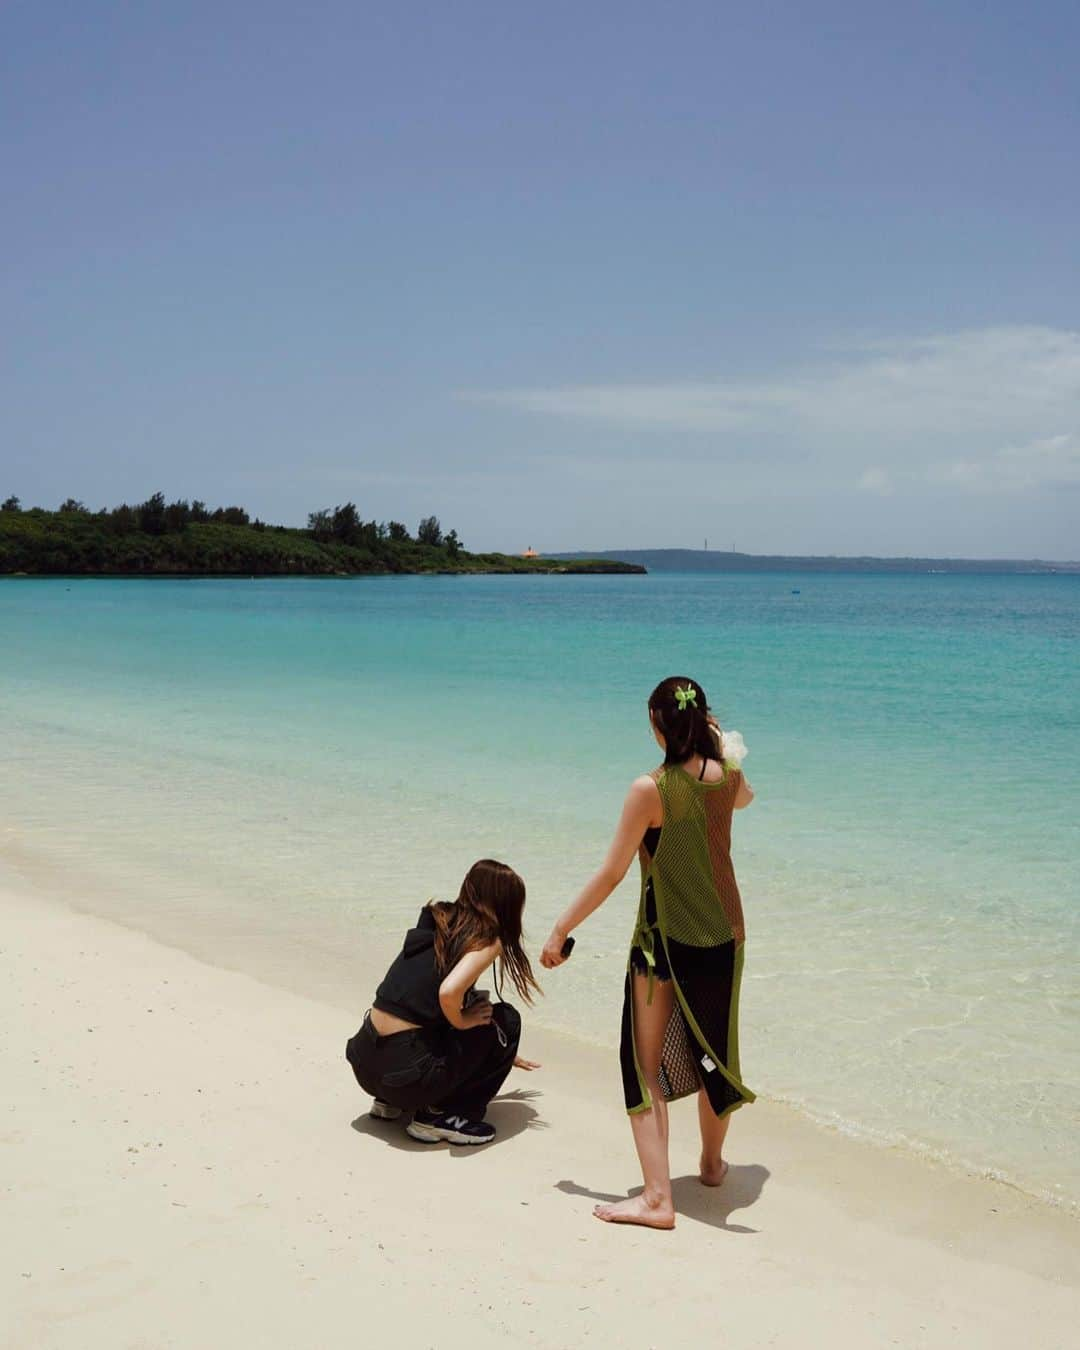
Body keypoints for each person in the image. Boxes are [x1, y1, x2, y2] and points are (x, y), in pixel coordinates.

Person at [541, 677, 755, 1227]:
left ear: (659, 726)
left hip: (664, 945)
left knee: (644, 1065)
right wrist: (720, 748)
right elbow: (746, 797)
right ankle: (710, 1166)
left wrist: (560, 929)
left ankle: (658, 1199)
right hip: (726, 937)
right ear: (704, 720)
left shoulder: (651, 789)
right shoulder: (728, 776)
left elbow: (612, 872)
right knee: (714, 1052)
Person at [346, 859, 541, 1146]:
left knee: (472, 1010)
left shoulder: (436, 920)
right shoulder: (488, 937)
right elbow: (449, 993)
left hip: (366, 1065)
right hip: (407, 1078)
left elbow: (421, 995)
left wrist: (496, 1051)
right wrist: (467, 1022)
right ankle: (440, 1117)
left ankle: (389, 1104)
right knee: (506, 1020)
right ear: (507, 905)